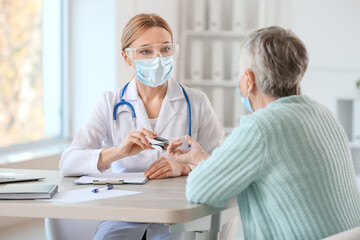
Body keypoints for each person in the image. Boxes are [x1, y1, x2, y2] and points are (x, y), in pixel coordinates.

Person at [167, 26, 360, 240]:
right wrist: (201, 159)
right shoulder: (323, 113)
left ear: (248, 80)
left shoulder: (262, 127)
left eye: (239, 73)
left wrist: (199, 166)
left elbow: (199, 189)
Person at [59, 13, 223, 240]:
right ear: (127, 58)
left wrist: (185, 168)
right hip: (123, 214)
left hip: (177, 215)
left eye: (165, 49)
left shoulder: (196, 101)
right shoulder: (110, 103)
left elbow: (222, 165)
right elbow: (68, 163)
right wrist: (119, 151)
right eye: (145, 51)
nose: (158, 58)